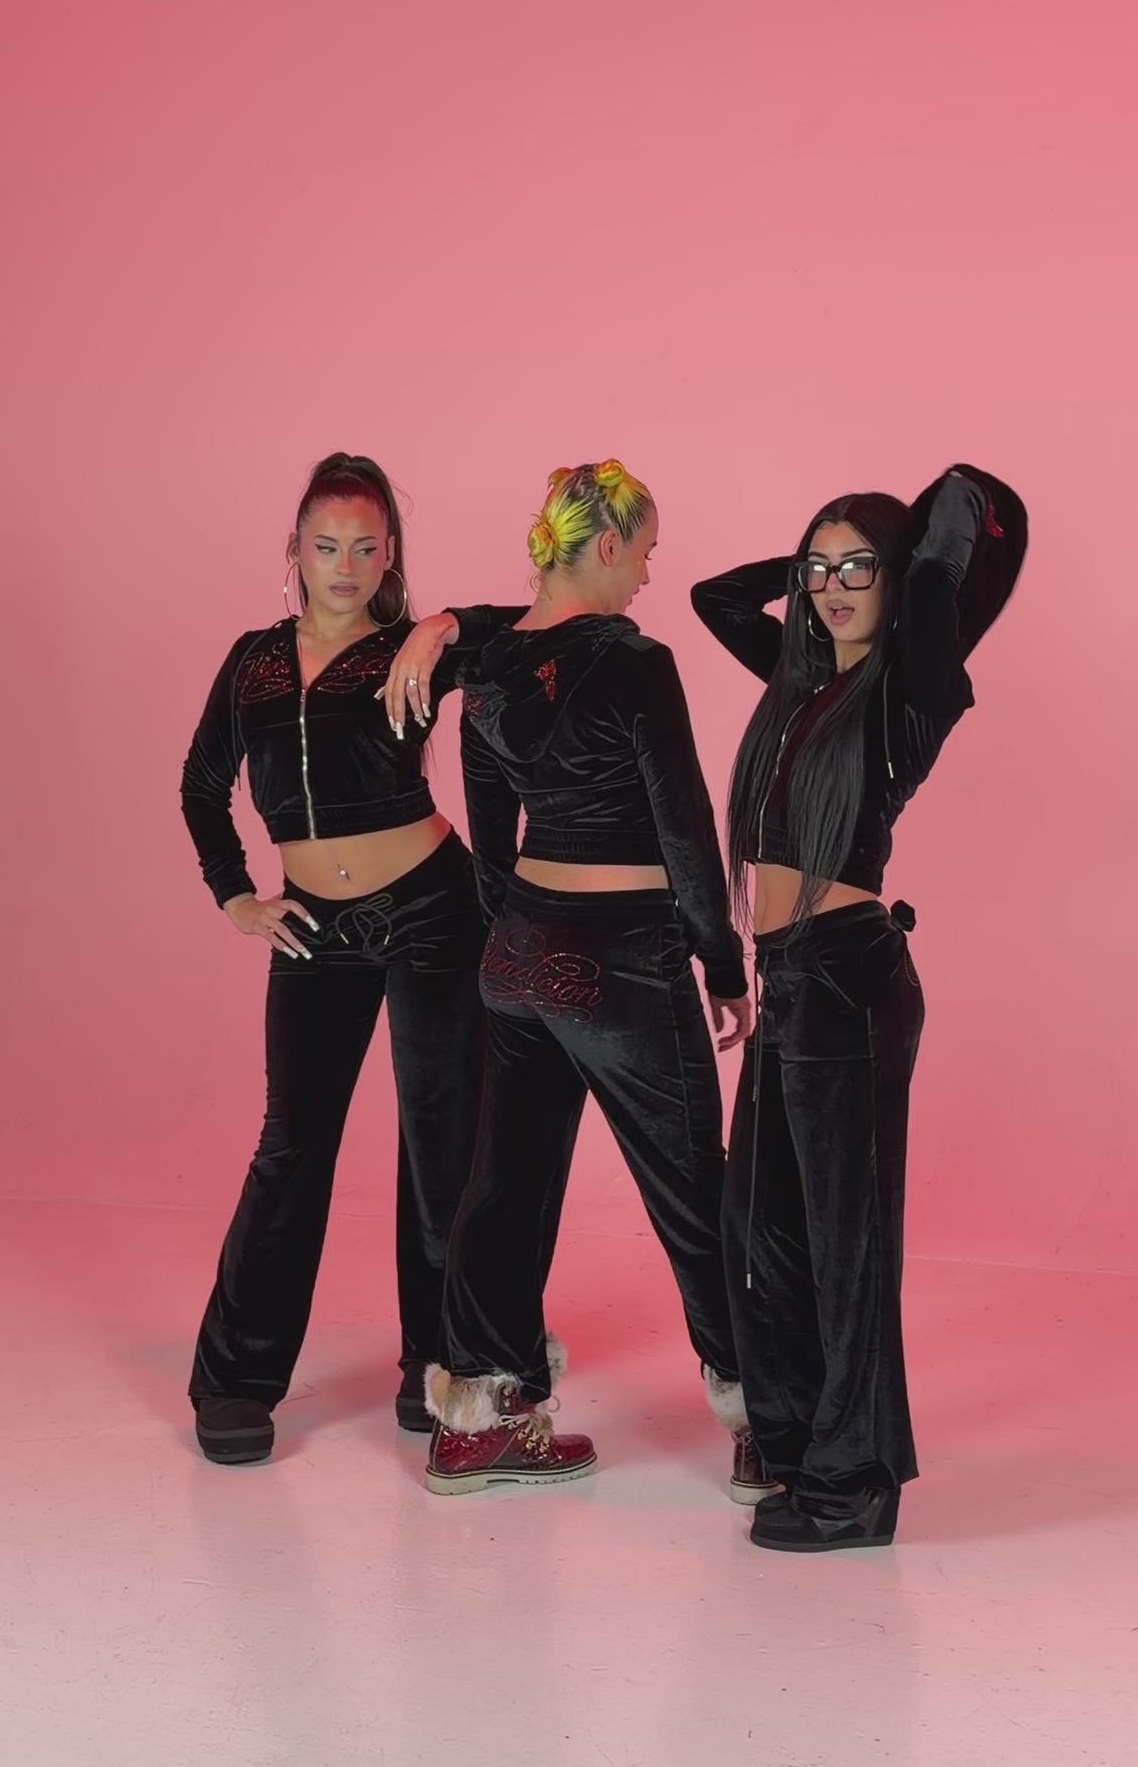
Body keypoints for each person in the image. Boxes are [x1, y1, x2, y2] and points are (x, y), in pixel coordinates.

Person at [385, 462, 757, 1498]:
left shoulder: (491, 670)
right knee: (693, 1186)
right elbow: (685, 824)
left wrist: (514, 942)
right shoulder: (637, 663)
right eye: (644, 551)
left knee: (505, 1183)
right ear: (603, 546)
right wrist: (721, 959)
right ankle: (769, 1422)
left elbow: (490, 837)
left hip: (518, 956)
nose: (647, 574)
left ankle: (480, 1421)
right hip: (624, 957)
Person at [691, 463, 1026, 1553]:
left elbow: (966, 502)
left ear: (897, 580)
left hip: (848, 980)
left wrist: (919, 550)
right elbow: (714, 599)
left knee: (848, 1246)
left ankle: (857, 1484)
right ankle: (797, 1447)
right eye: (820, 569)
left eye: (856, 569)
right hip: (787, 978)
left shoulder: (911, 689)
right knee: (761, 1229)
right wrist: (807, 567)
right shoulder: (797, 681)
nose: (834, 588)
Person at [178, 451, 522, 1465]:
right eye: (326, 546)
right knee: (292, 1144)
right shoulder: (254, 660)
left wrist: (442, 623)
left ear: (389, 555)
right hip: (313, 930)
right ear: (294, 550)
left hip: (431, 912)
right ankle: (237, 1377)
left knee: (441, 1143)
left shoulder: (407, 652)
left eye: (366, 547)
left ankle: (442, 1365)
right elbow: (201, 785)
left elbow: (532, 629)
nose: (345, 565)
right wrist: (236, 895)